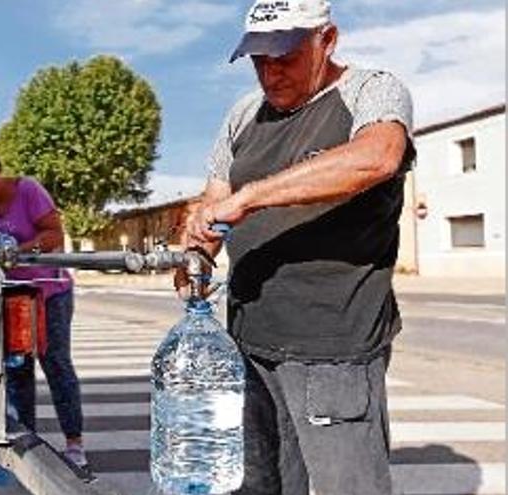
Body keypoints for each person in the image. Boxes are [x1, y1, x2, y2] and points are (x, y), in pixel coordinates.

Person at [176, 0, 415, 493]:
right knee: (261, 484)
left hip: (335, 352)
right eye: (259, 60)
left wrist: (251, 198)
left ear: (327, 40)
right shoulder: (244, 115)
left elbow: (378, 157)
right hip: (249, 345)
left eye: (284, 57)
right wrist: (194, 254)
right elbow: (212, 205)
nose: (271, 73)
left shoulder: (371, 91)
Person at [0, 150, 88, 469]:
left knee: (56, 363)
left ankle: (74, 443)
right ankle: (27, 442)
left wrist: (16, 251)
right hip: (11, 297)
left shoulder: (28, 190)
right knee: (18, 370)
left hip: (50, 291)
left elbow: (54, 235)